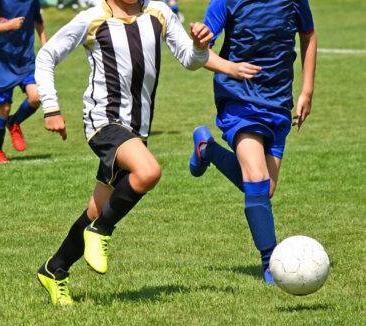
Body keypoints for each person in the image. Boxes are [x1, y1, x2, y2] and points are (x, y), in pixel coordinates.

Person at [35, 0, 259, 306]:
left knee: (97, 209)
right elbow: (47, 55)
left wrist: (203, 48)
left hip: (136, 129)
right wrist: (51, 108)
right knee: (149, 171)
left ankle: (54, 268)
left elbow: (190, 59)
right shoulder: (93, 18)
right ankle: (100, 232)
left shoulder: (159, 12)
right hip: (103, 122)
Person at [189, 0, 317, 284]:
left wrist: (307, 90)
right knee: (256, 178)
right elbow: (201, 53)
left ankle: (206, 149)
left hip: (278, 100)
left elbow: (308, 35)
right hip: (239, 98)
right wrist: (201, 36)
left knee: (265, 188)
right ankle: (271, 262)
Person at [0, 0, 47, 163]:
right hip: (1, 60)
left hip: (25, 59)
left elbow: (38, 20)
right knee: (4, 107)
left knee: (36, 96)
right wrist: (8, 26)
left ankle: (14, 122)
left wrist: (46, 45)